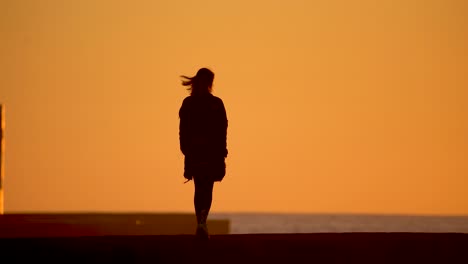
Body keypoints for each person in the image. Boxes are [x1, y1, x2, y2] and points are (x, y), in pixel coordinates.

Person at [179, 68, 228, 240]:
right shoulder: (216, 103)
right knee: (206, 188)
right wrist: (222, 151)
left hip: (196, 153)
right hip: (209, 153)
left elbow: (183, 131)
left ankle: (200, 222)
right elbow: (223, 130)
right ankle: (202, 221)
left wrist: (185, 149)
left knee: (199, 187)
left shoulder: (189, 103)